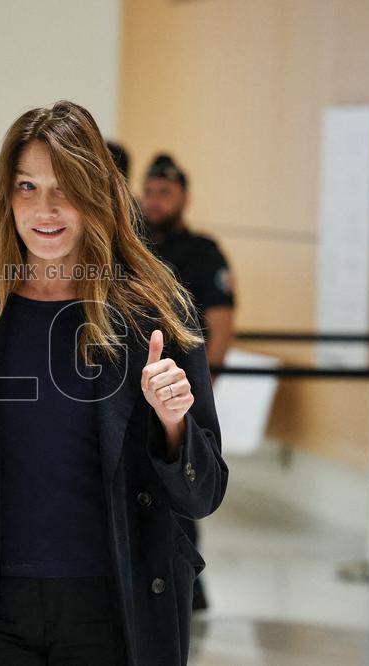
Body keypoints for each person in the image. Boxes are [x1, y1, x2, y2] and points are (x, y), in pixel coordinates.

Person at [0, 101, 228, 666]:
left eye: (65, 188)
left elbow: (204, 493)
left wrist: (173, 424)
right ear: (6, 197)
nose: (44, 209)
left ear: (97, 195)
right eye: (27, 187)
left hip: (112, 605)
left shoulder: (155, 312)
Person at [140, 153, 236, 610]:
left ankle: (189, 583)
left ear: (184, 198)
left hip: (185, 389)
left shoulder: (202, 252)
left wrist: (202, 386)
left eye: (165, 193)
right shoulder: (135, 247)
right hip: (141, 390)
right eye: (149, 192)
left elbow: (221, 321)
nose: (155, 201)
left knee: (186, 481)